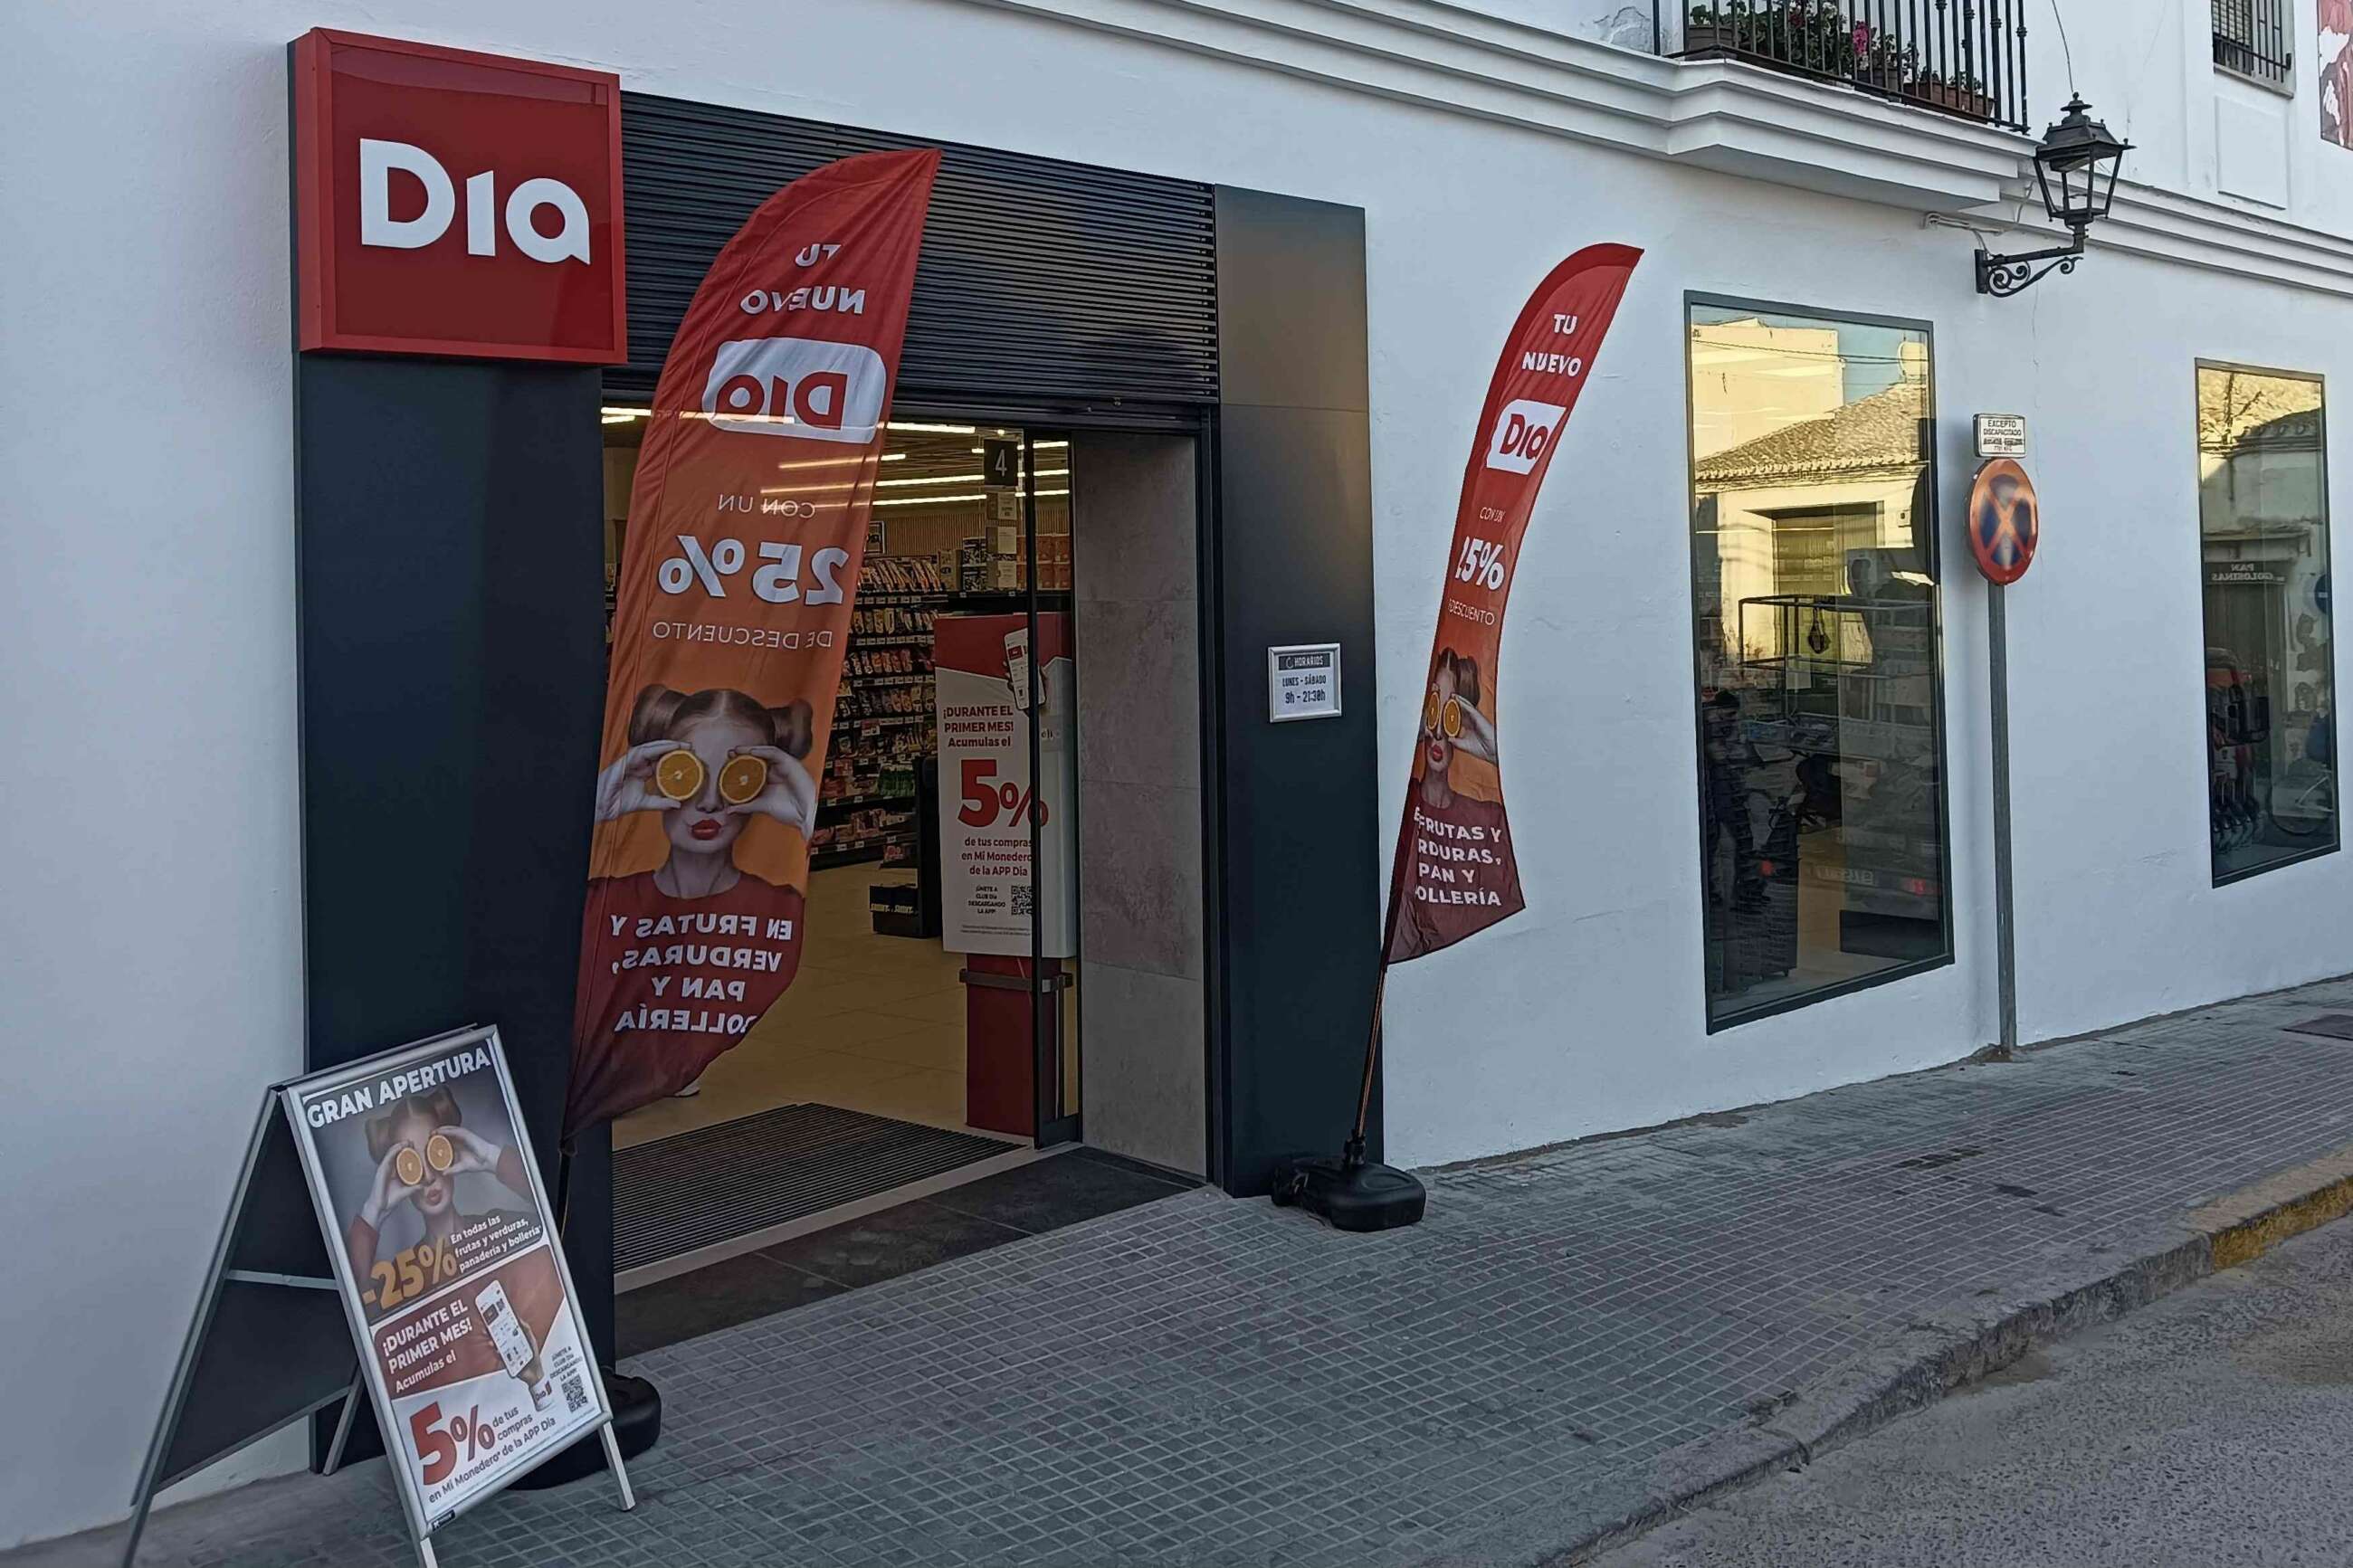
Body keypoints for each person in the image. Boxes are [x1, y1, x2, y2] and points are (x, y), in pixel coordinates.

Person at [592, 685, 818, 899]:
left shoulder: (781, 905)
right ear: (658, 774)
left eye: (735, 778)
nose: (710, 803)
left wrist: (806, 816)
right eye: (688, 773)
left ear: (763, 784)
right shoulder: (601, 899)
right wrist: (596, 809)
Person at [347, 1087, 535, 1302]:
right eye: (411, 1163)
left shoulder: (503, 1227)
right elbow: (358, 1304)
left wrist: (492, 1159)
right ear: (397, 1173)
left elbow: (555, 1210)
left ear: (449, 1150)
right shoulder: (400, 1280)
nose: (427, 1176)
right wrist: (373, 1212)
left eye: (434, 1152)